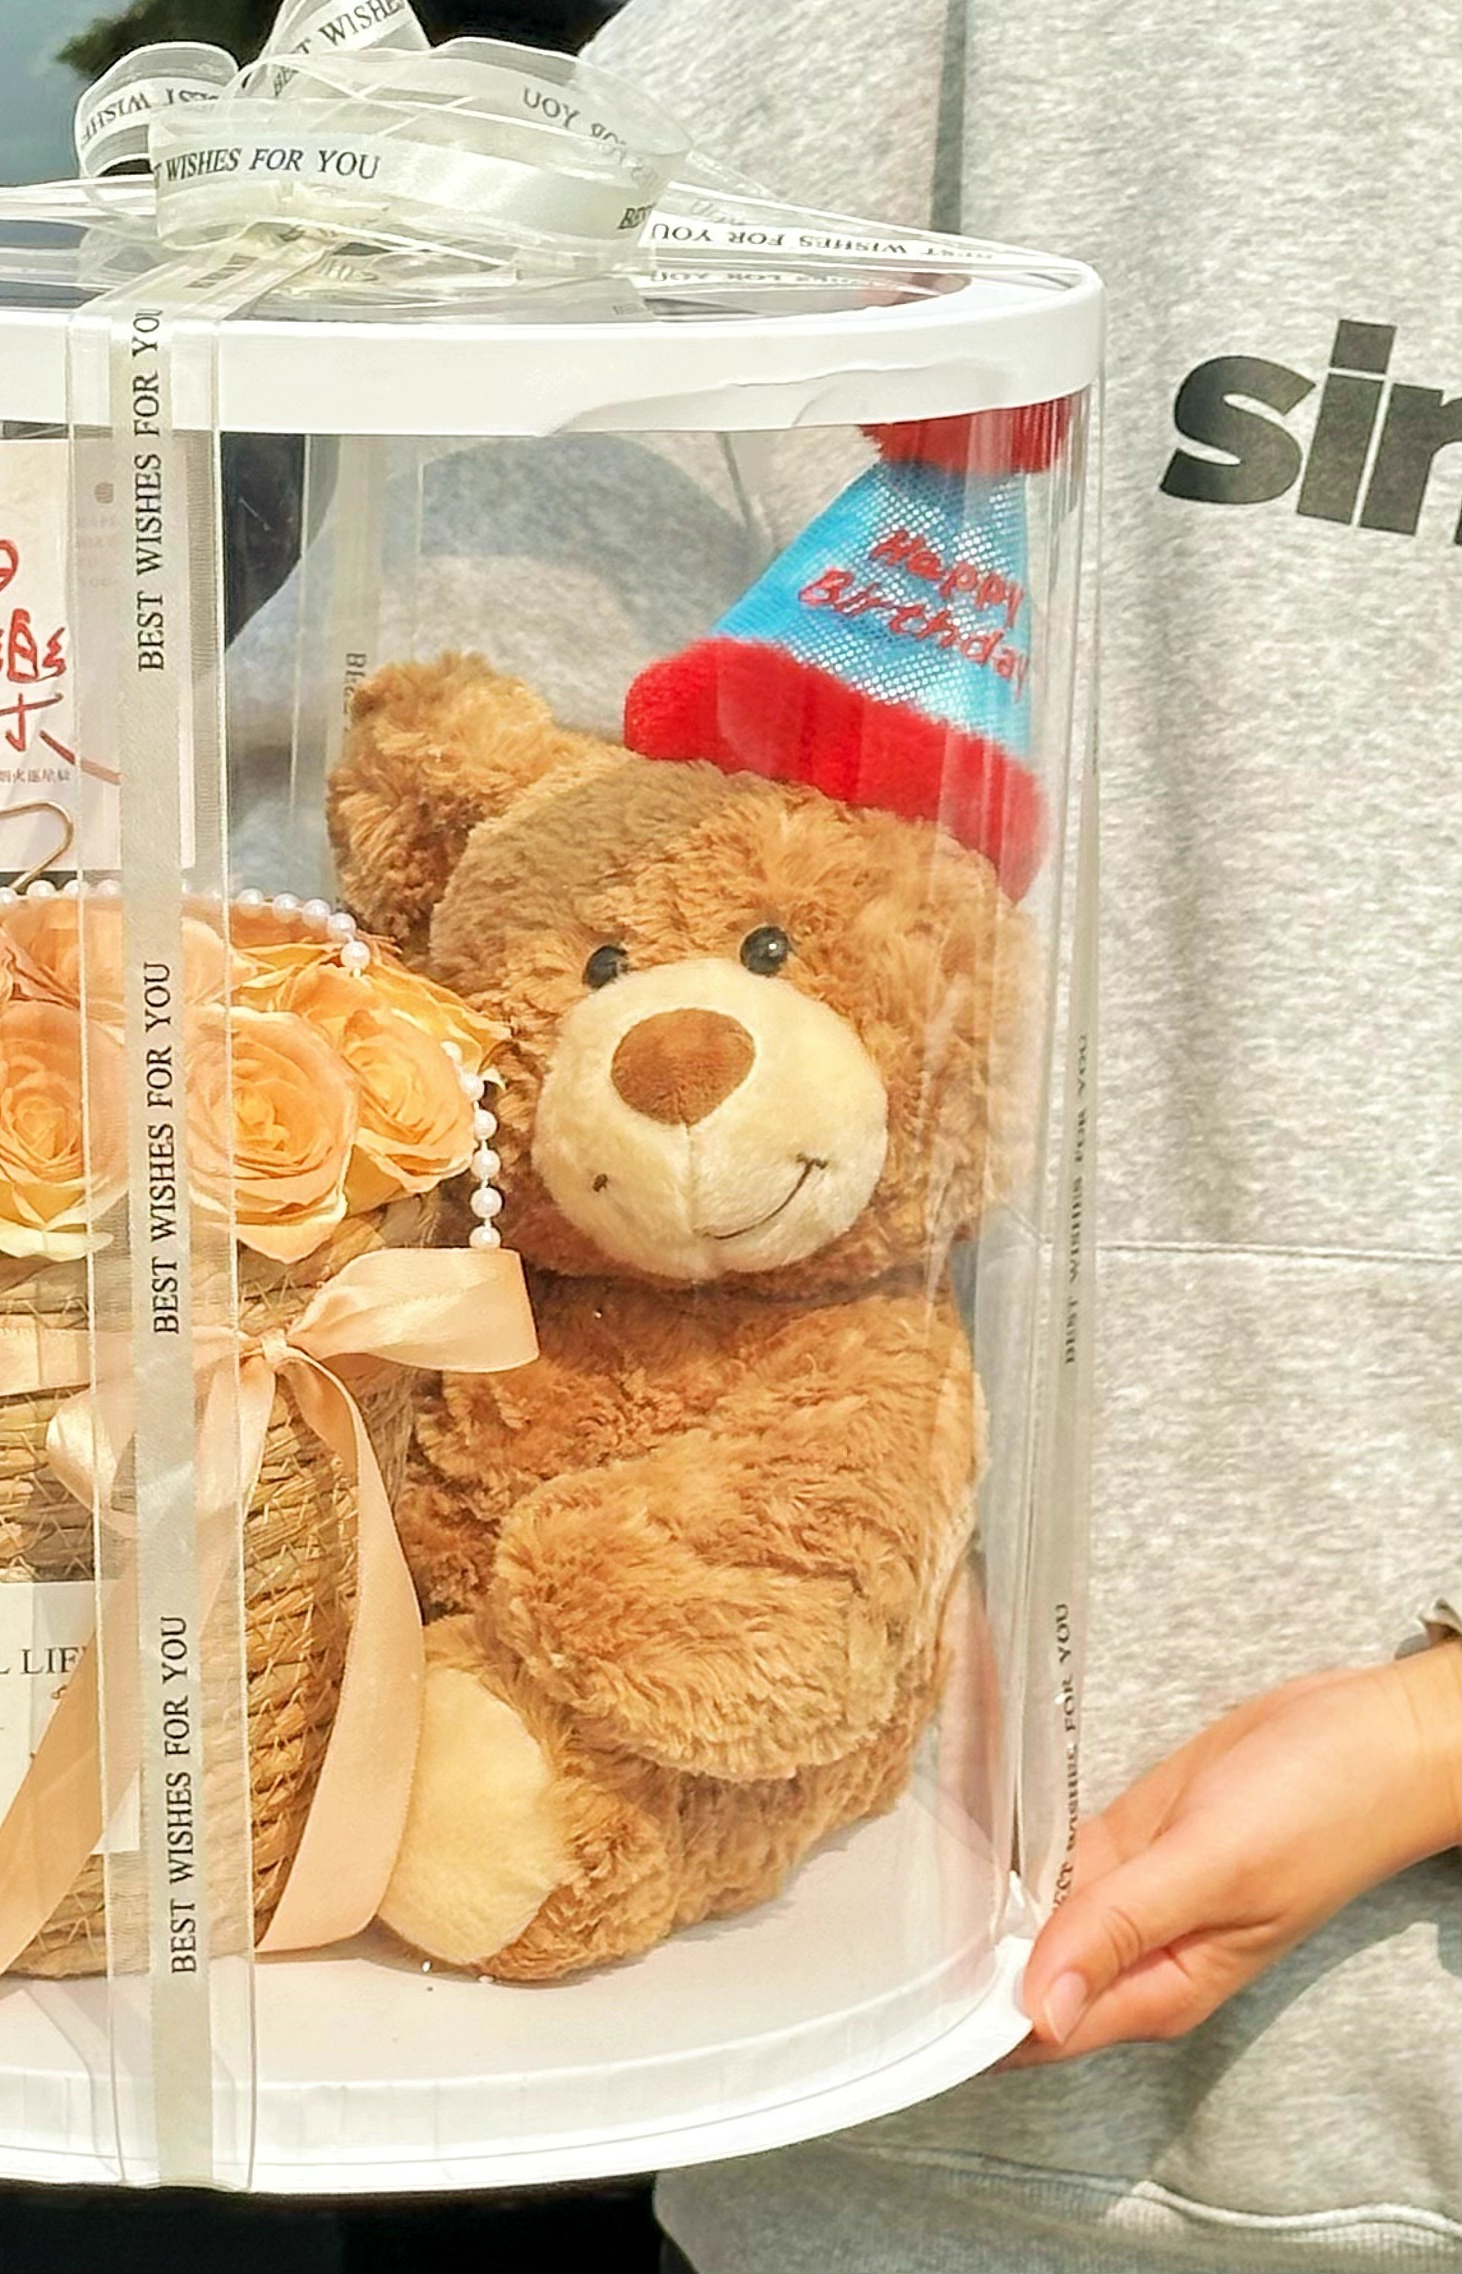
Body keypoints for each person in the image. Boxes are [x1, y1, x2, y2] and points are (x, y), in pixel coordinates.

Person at [559, 0, 1462, 2265]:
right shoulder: (943, 48)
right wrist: (777, 1493)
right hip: (898, 2052)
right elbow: (449, 783)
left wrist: (1437, 1735)